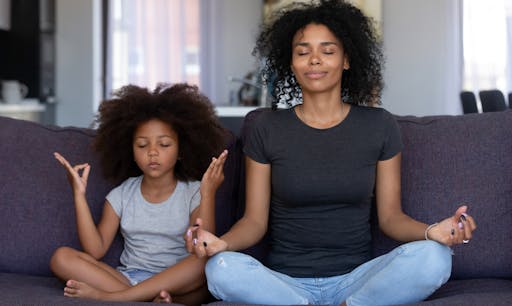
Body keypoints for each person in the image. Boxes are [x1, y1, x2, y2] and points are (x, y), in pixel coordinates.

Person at [187, 1, 477, 306]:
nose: (314, 60)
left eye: (327, 51)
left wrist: (435, 232)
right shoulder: (266, 127)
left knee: (436, 257)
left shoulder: (379, 125)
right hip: (284, 283)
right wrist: (223, 244)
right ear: (290, 62)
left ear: (346, 59)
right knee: (220, 268)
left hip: (357, 279)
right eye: (302, 52)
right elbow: (254, 222)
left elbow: (391, 218)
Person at [50, 83, 228, 305]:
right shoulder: (122, 195)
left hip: (178, 283)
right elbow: (95, 249)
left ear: (181, 150)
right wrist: (78, 195)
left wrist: (208, 193)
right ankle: (148, 299)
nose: (152, 152)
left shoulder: (193, 192)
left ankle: (118, 298)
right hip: (129, 278)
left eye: (164, 144)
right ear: (130, 151)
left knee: (202, 263)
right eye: (142, 145)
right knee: (61, 258)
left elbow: (201, 245)